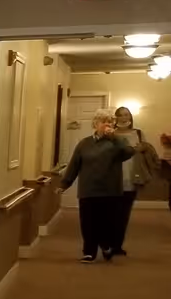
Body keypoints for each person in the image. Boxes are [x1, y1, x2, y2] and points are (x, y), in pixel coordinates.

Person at [60, 109, 138, 262]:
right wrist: (65, 184)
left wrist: (114, 138)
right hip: (88, 189)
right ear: (95, 124)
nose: (107, 125)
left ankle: (106, 245)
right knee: (88, 223)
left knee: (107, 223)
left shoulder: (117, 142)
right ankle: (89, 252)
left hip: (110, 190)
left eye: (110, 122)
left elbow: (129, 152)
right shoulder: (84, 144)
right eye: (104, 122)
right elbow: (74, 165)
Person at [109, 106, 159, 254]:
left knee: (124, 214)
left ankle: (117, 246)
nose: (124, 118)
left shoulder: (138, 133)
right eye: (121, 115)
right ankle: (108, 243)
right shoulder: (111, 134)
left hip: (131, 179)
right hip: (113, 179)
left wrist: (144, 148)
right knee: (111, 214)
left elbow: (147, 150)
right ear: (116, 118)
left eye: (127, 115)